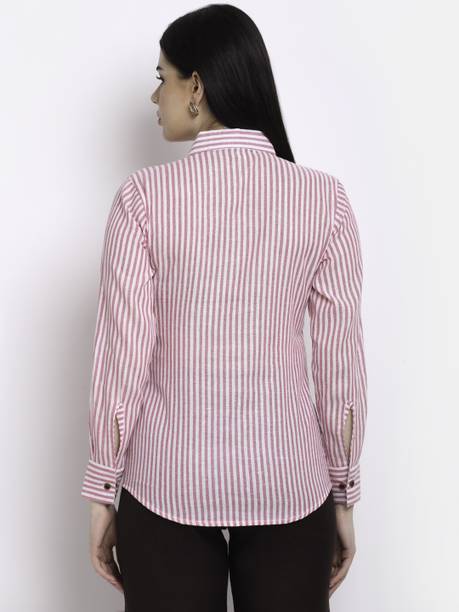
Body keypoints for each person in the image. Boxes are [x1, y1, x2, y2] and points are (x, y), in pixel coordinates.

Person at [81, 4, 368, 611]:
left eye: (162, 78)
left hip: (165, 484)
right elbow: (340, 362)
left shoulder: (143, 199)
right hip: (291, 485)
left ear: (197, 87)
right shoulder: (326, 201)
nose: (155, 95)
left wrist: (103, 489)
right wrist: (343, 492)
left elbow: (123, 358)